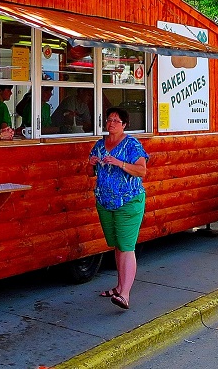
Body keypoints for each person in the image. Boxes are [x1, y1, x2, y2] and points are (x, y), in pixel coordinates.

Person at [84, 108, 148, 312]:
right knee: (117, 245)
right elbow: (89, 173)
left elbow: (142, 170)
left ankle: (125, 294)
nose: (111, 123)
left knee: (126, 246)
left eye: (116, 120)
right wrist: (91, 164)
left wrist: (120, 163)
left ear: (124, 125)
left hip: (128, 201)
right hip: (105, 202)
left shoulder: (131, 144)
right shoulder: (100, 145)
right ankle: (119, 287)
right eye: (109, 119)